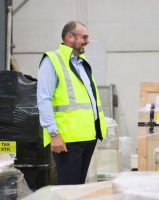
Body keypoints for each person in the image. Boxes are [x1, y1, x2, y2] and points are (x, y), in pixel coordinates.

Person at [37, 21, 107, 185]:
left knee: (78, 188)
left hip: (88, 136)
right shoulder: (52, 60)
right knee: (68, 189)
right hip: (67, 140)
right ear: (69, 37)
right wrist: (54, 134)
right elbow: (44, 98)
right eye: (84, 37)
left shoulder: (82, 62)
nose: (87, 41)